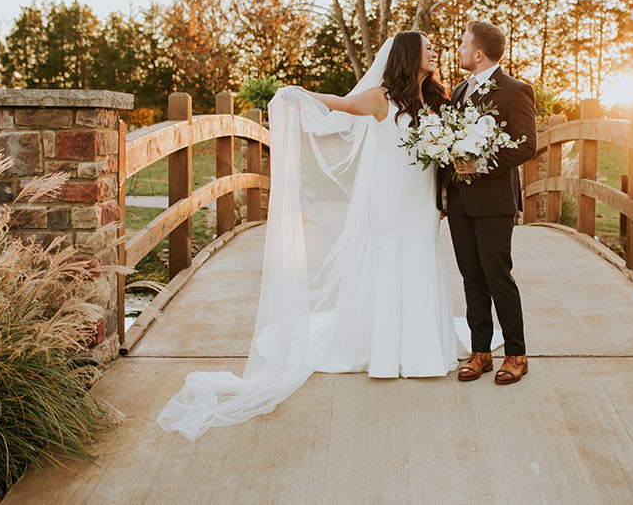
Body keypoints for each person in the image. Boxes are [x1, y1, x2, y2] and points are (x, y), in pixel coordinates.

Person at [157, 31, 460, 441]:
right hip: (388, 199)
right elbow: (336, 105)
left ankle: (425, 349)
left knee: (422, 260)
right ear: (410, 55)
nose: (435, 51)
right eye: (428, 47)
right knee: (389, 260)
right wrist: (297, 94)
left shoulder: (438, 101)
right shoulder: (380, 99)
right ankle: (384, 352)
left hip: (421, 200)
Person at [439, 20, 538, 385]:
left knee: (498, 276)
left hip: (495, 200)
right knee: (471, 277)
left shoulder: (515, 90)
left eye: (464, 44)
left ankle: (516, 354)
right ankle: (480, 351)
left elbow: (528, 144)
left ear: (478, 53)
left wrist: (480, 164)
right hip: (461, 201)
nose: (460, 50)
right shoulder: (460, 90)